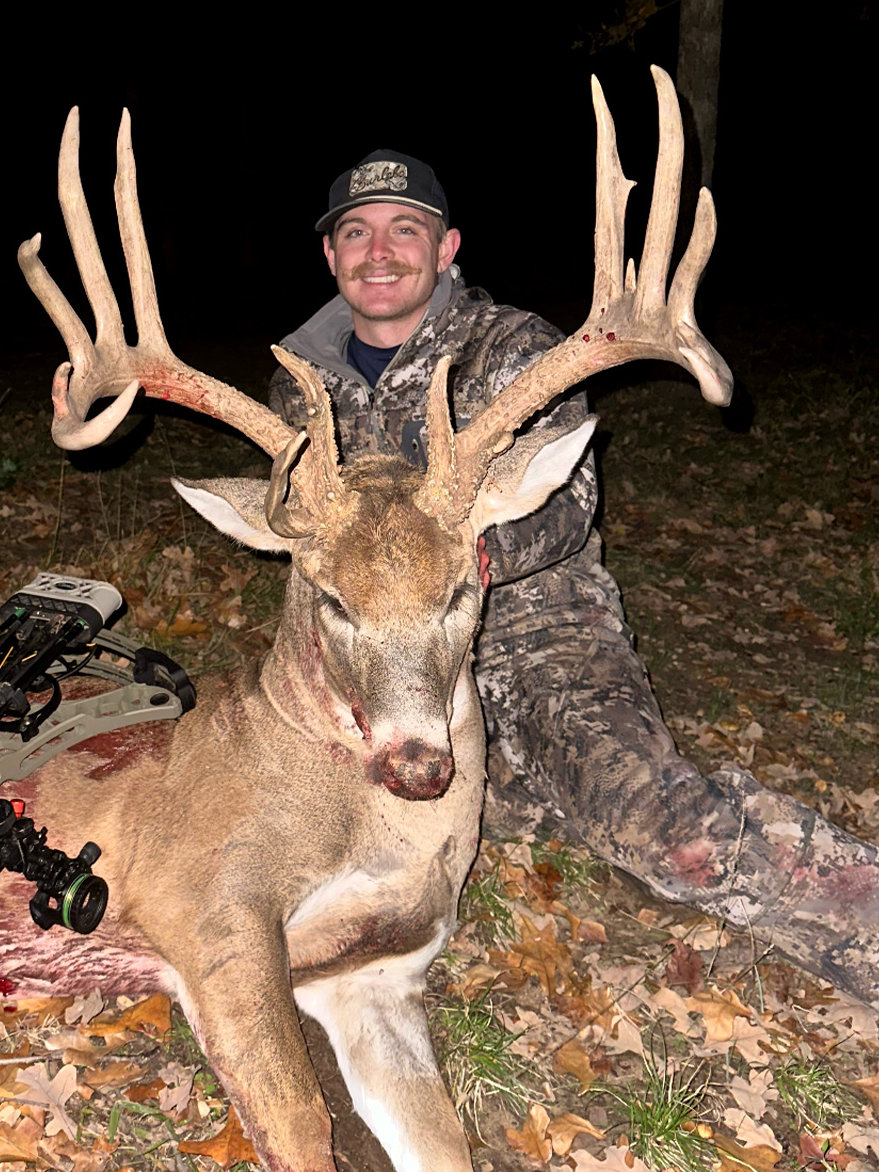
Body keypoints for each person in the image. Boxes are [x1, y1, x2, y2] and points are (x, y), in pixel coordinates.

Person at [269, 149, 879, 1004]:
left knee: (658, 830)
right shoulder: (301, 387)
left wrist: (472, 561)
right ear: (331, 255)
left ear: (446, 250)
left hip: (536, 636)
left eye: (406, 231)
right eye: (356, 233)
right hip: (388, 664)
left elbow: (569, 503)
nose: (381, 251)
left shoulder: (513, 348)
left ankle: (859, 910)